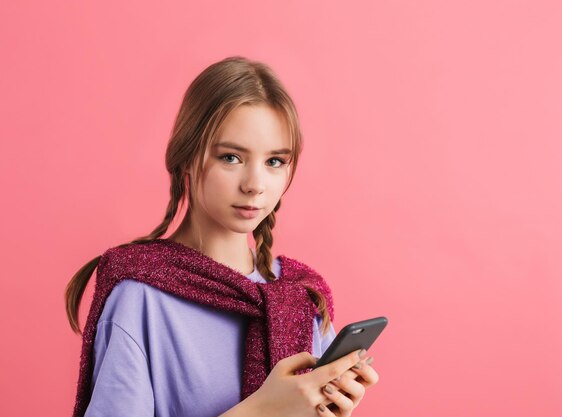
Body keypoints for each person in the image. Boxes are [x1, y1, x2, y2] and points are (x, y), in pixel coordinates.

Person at [65, 56, 379, 417]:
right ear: (186, 156)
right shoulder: (140, 296)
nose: (255, 185)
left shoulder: (297, 295)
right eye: (231, 157)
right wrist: (261, 411)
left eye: (275, 161)